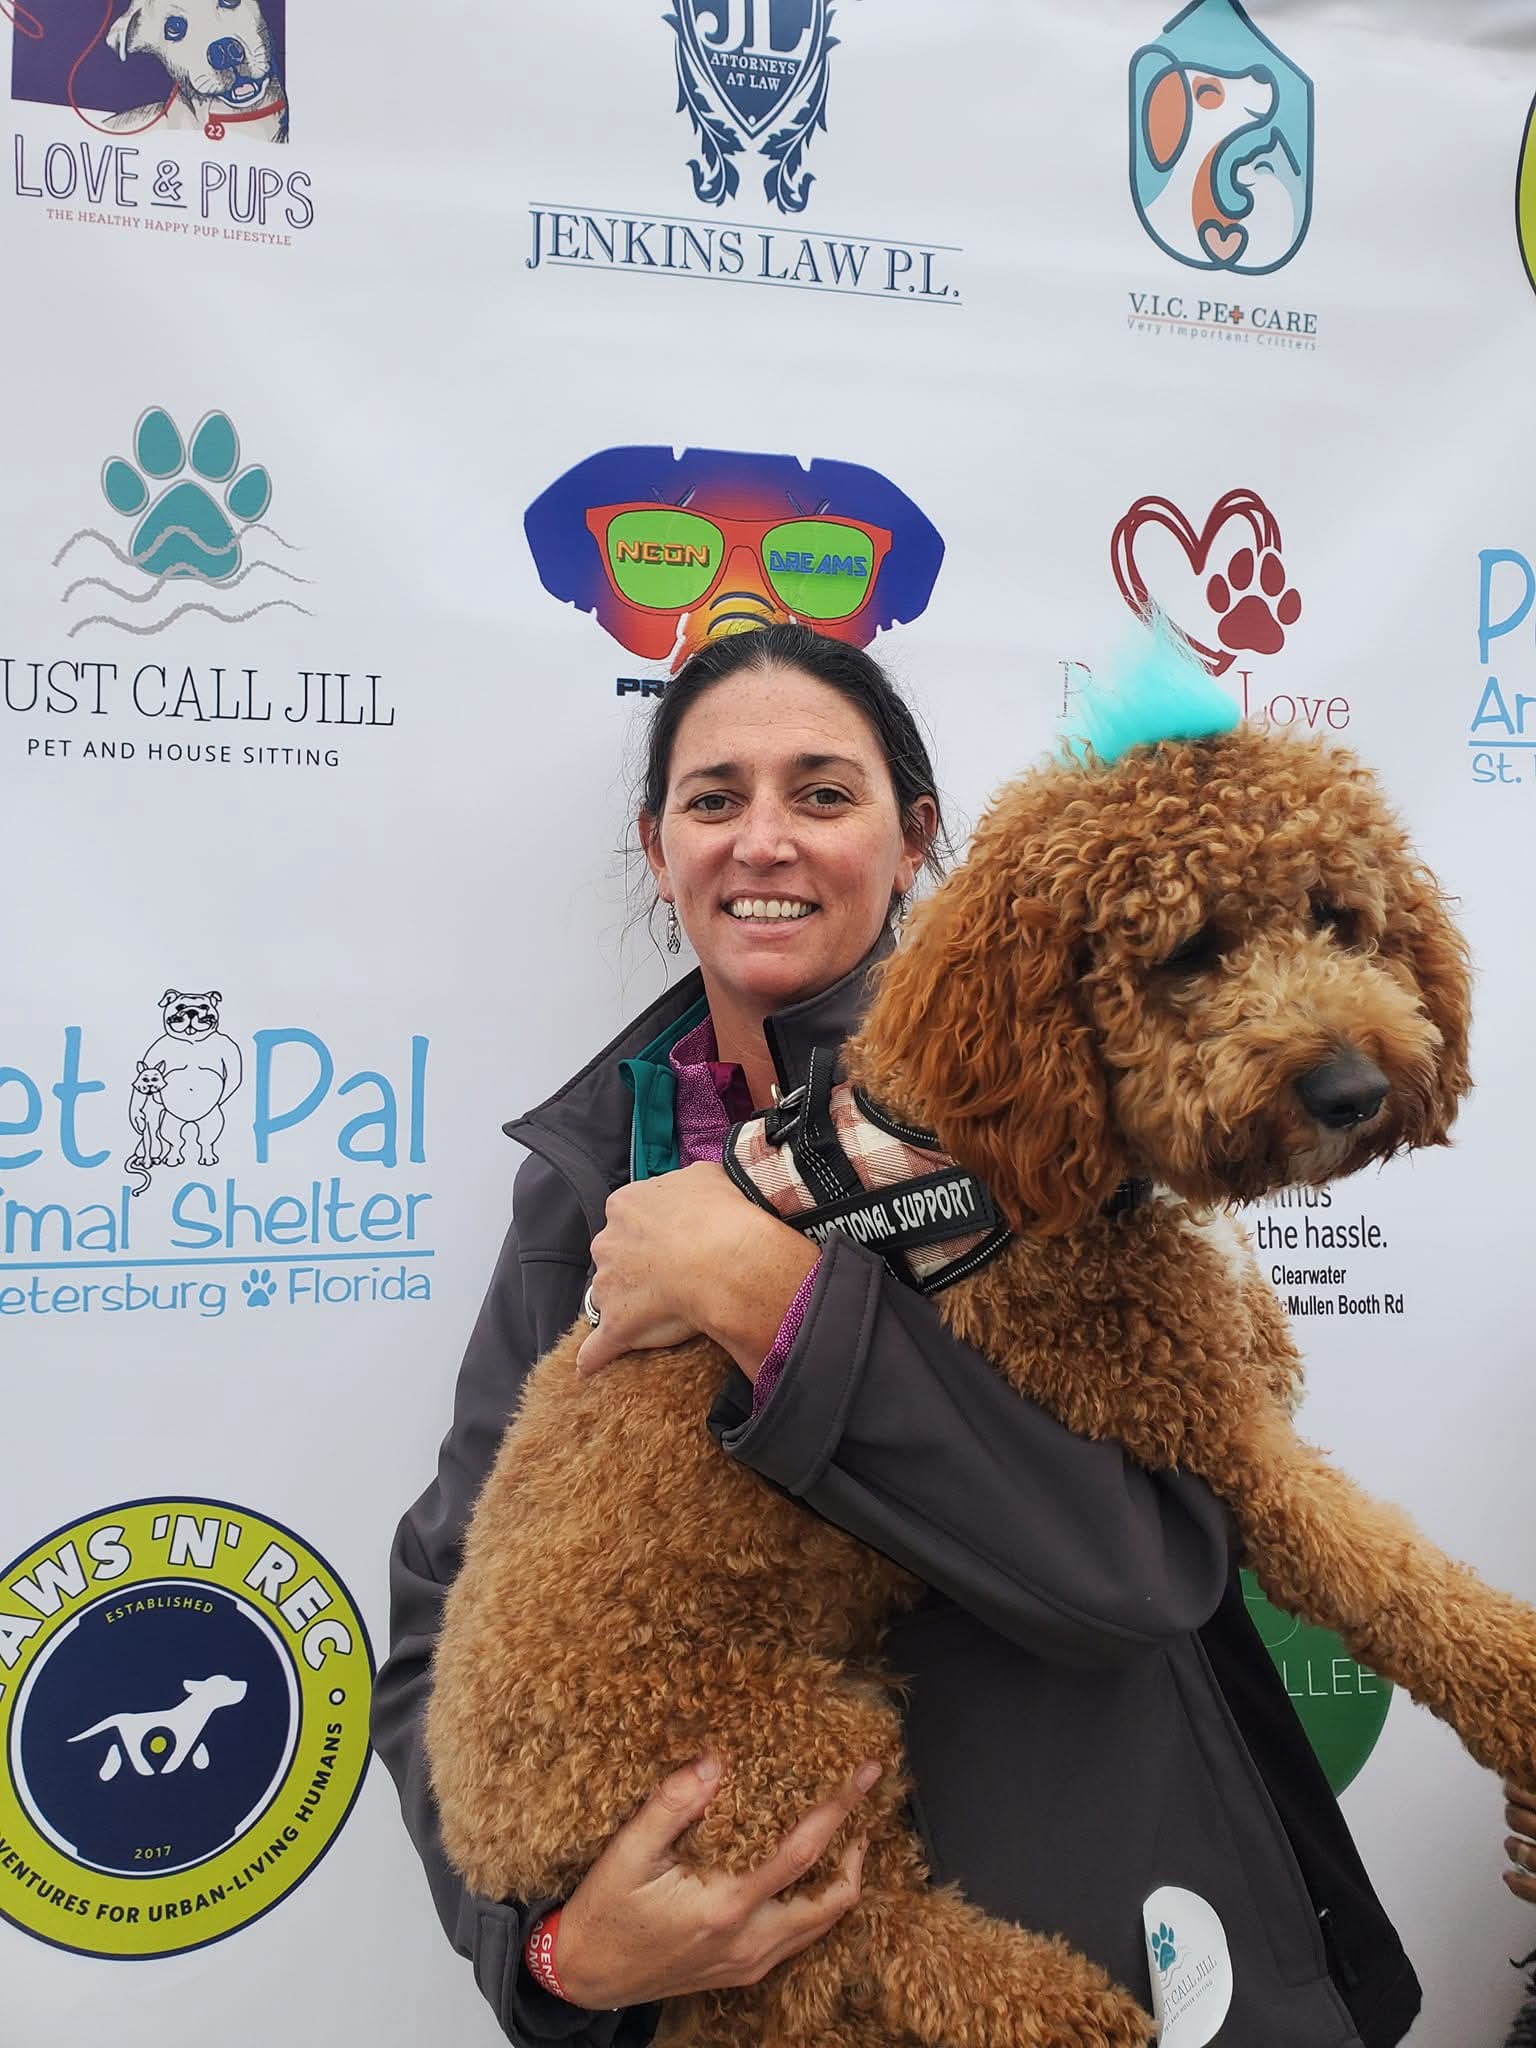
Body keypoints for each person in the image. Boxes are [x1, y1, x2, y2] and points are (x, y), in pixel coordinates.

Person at [372, 622, 1422, 2047]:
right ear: (656, 843)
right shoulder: (584, 1182)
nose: (764, 842)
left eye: (822, 792)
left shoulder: (1077, 1117)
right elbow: (440, 1614)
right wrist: (555, 1954)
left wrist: (776, 1304)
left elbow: (1141, 1574)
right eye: (713, 798)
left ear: (915, 832)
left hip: (1133, 1967)